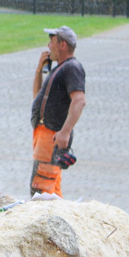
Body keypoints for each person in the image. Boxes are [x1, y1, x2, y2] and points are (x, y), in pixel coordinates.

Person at [30, 25, 86, 198]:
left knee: (41, 192)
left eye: (52, 42)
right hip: (45, 136)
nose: (48, 46)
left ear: (62, 45)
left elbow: (79, 100)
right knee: (51, 190)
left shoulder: (72, 68)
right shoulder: (59, 69)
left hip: (51, 137)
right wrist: (40, 69)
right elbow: (37, 96)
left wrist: (65, 132)